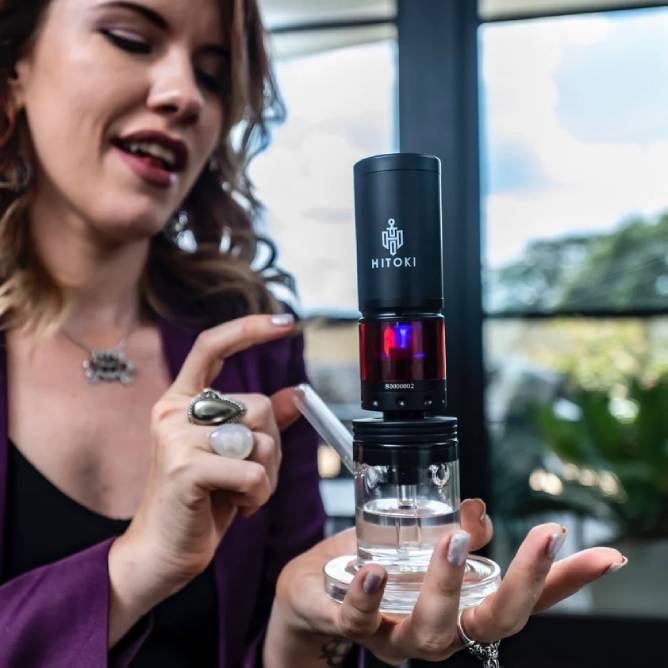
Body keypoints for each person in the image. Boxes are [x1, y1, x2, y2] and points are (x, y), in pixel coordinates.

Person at [0, 1, 627, 666]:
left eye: (214, 77)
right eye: (131, 39)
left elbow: (273, 640)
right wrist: (131, 571)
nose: (184, 94)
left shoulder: (250, 350)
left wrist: (299, 624)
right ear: (14, 69)